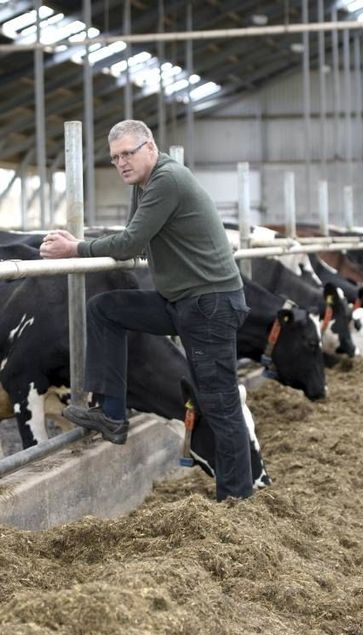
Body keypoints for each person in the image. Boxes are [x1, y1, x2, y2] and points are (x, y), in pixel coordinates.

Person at [39, 119, 253, 501]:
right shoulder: (144, 184)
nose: (121, 162)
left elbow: (129, 243)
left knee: (219, 404)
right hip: (182, 301)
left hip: (209, 304)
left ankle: (237, 500)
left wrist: (76, 248)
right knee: (106, 309)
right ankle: (113, 413)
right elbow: (136, 242)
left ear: (150, 147)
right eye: (115, 157)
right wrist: (90, 245)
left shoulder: (167, 180)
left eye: (128, 153)